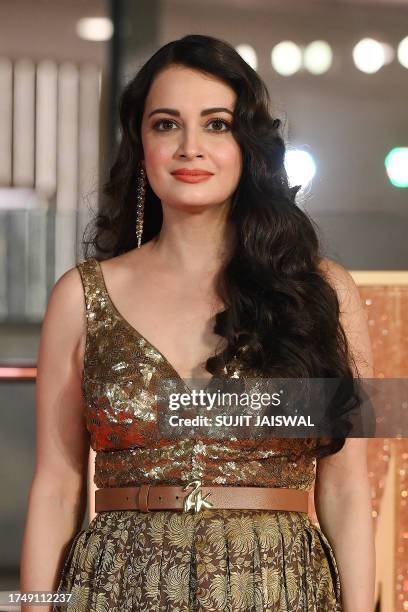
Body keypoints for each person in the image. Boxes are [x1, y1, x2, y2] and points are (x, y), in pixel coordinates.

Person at [20, 34, 375, 611]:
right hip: (116, 587)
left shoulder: (318, 291)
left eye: (216, 124)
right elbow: (57, 490)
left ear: (249, 146)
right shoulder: (81, 296)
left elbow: (348, 489)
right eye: (166, 124)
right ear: (140, 144)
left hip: (278, 588)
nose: (191, 147)